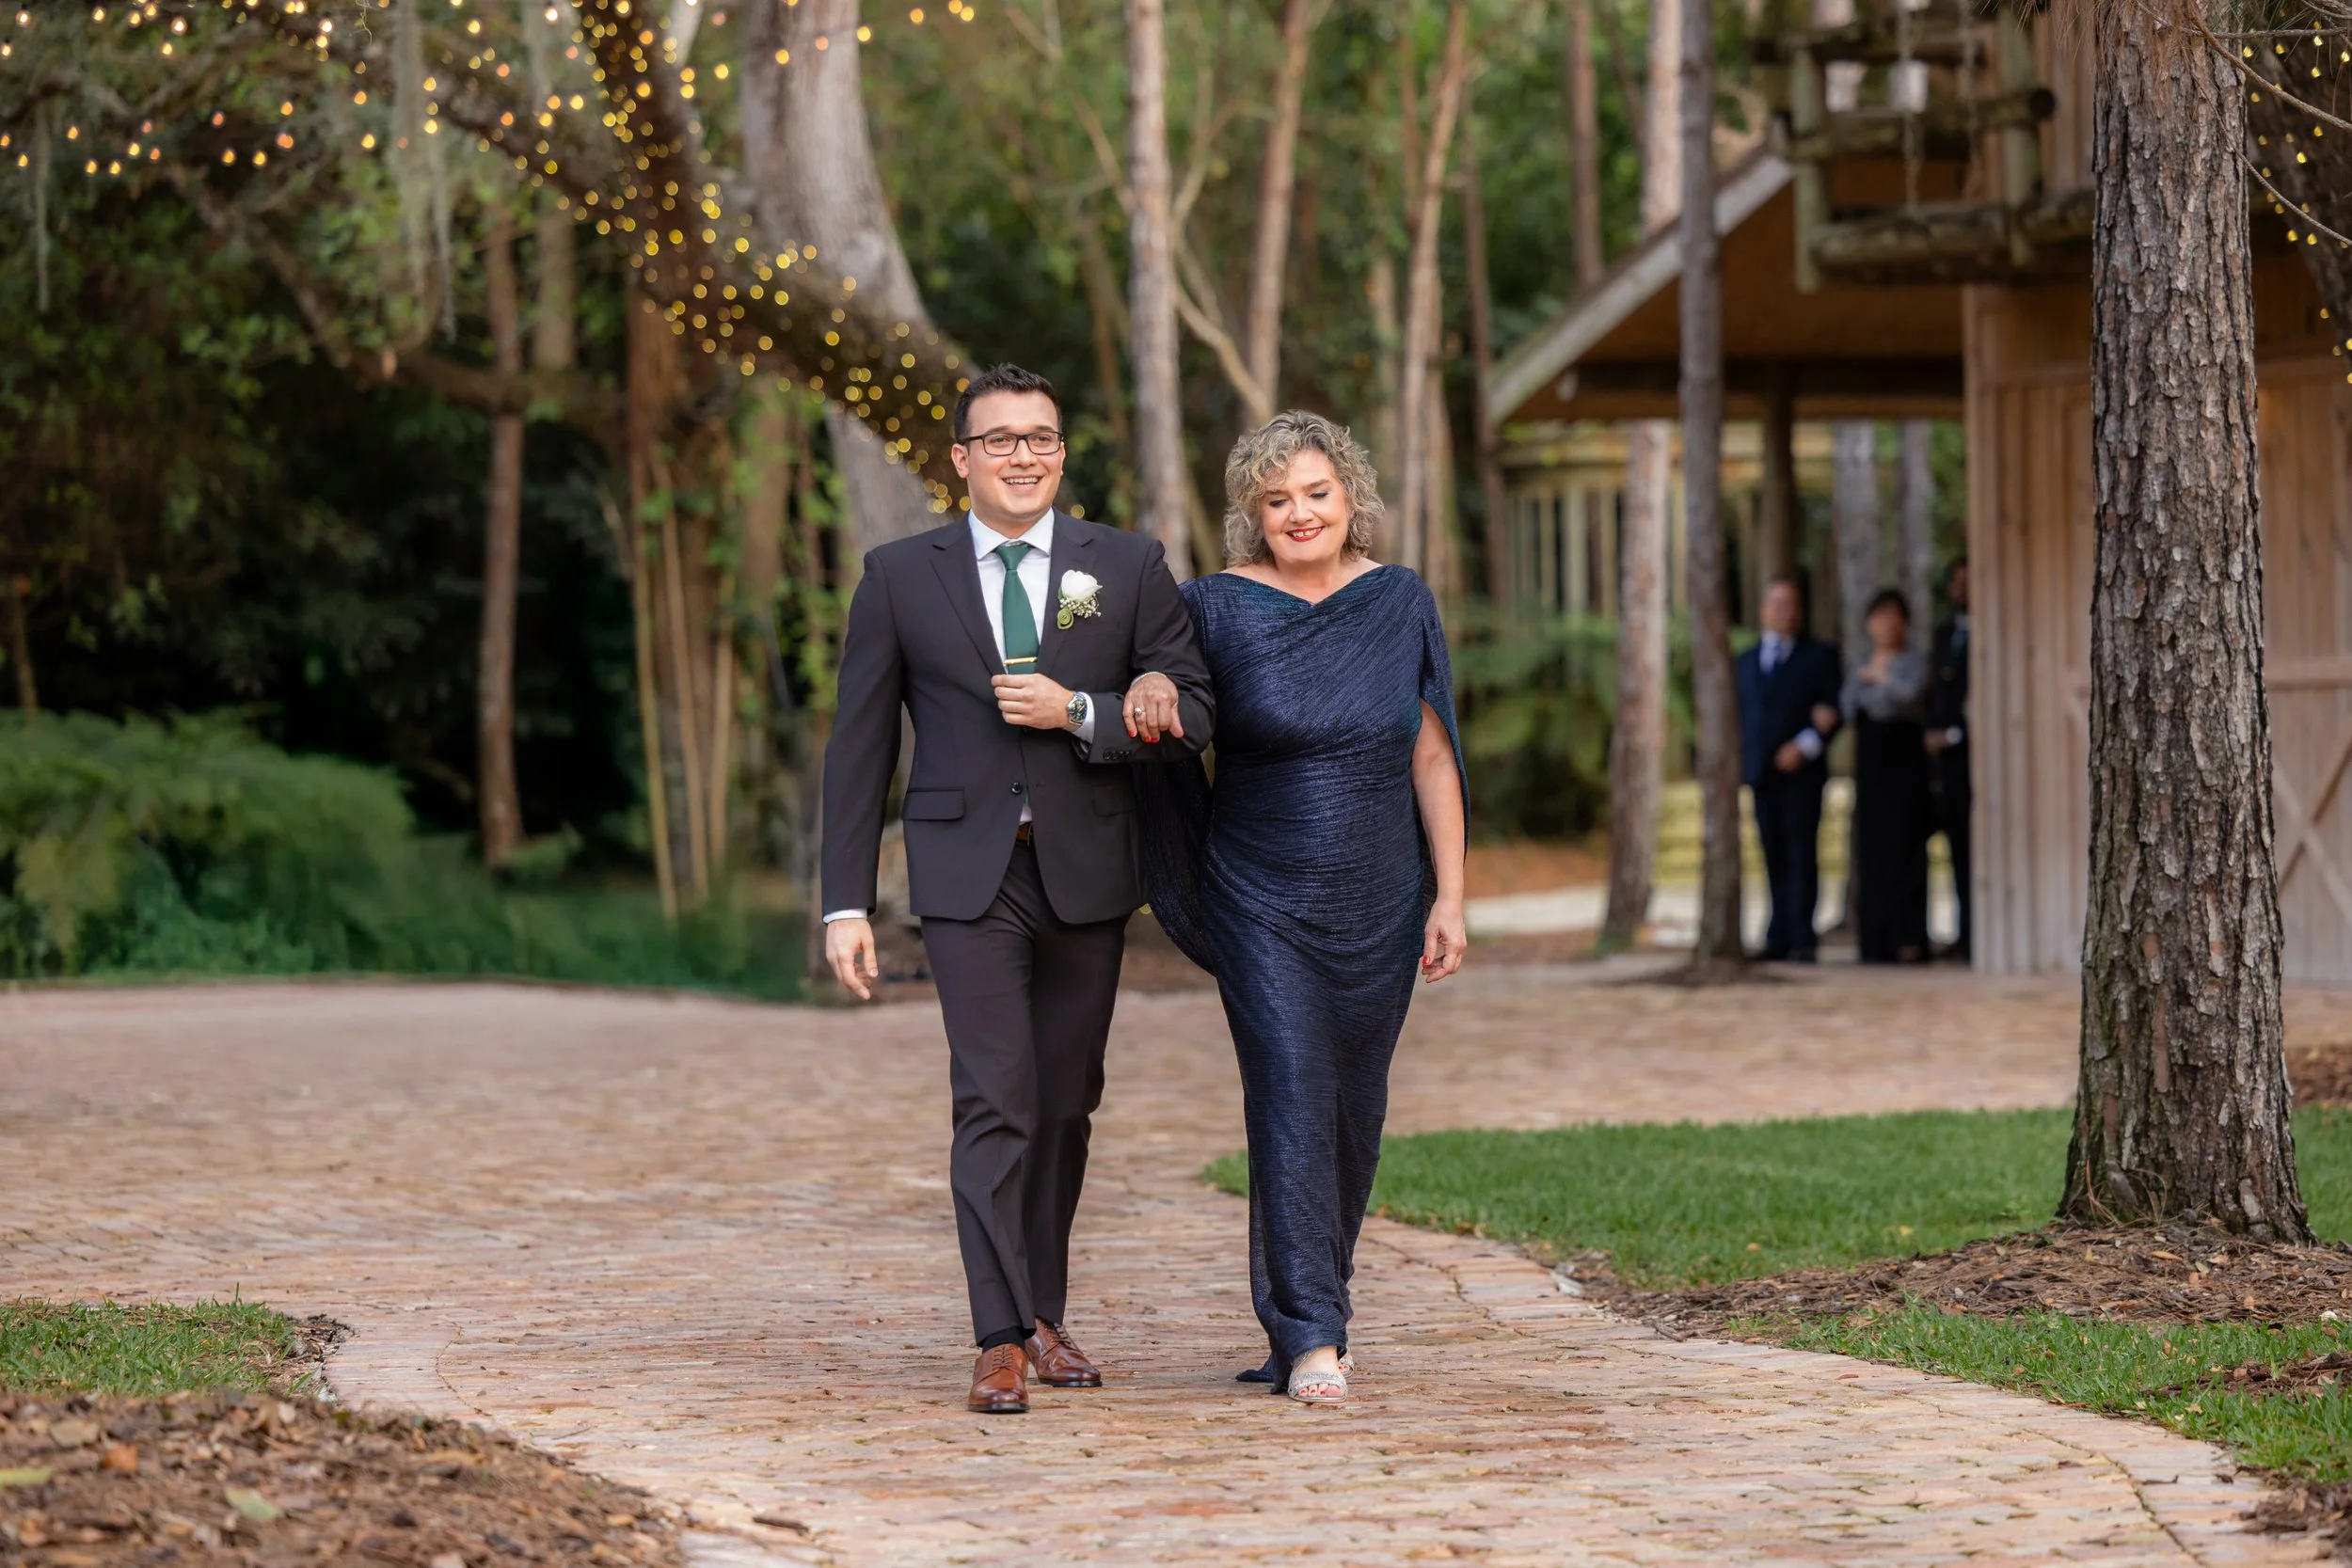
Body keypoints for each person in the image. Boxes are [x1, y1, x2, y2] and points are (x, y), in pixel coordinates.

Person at [818, 364, 1215, 1417]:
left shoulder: (1124, 565)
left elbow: (1193, 708)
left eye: (1041, 437)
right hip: (964, 875)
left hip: (1087, 870)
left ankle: (1042, 1306)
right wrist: (844, 901)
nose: (1024, 456)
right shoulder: (901, 574)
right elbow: (859, 745)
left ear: (1060, 451)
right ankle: (997, 1334)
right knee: (994, 1096)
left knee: (1066, 1100)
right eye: (1000, 440)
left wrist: (1083, 710)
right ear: (961, 459)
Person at [1139, 410, 1468, 1406]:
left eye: (1315, 493)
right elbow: (1171, 687)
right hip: (1259, 895)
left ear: (1349, 495)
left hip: (1379, 896)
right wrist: (1152, 675)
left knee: (1353, 1110)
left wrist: (1450, 893)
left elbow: (1429, 751)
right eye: (1276, 499)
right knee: (1288, 1088)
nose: (1298, 512)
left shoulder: (1399, 600)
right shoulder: (1215, 604)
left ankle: (1323, 1298)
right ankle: (1308, 1331)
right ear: (1251, 513)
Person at [1735, 576, 1841, 961]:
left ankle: (1801, 935)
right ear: (1764, 610)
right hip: (1761, 773)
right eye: (1778, 604)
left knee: (1801, 852)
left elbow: (1834, 713)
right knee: (1771, 853)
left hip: (1802, 774)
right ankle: (1776, 932)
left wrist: (1805, 745)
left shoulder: (1819, 657)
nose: (1786, 612)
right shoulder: (1744, 662)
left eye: (1792, 604)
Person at [1843, 588, 1933, 963]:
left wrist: (1878, 680)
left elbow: (1908, 697)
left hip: (1905, 764)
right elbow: (1849, 704)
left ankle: (1909, 938)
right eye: (1879, 616)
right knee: (1872, 851)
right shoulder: (1862, 661)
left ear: (1905, 622)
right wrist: (1874, 681)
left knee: (1906, 849)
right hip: (1870, 767)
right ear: (1869, 623)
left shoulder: (1915, 661)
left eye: (1893, 615)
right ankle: (1874, 940)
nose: (1886, 623)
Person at [1924, 560, 1971, 961]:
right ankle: (1962, 931)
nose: (1963, 588)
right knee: (1955, 847)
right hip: (1944, 763)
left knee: (1976, 847)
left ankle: (1977, 931)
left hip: (1977, 758)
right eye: (1957, 581)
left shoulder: (1992, 635)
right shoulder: (1942, 634)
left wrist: (1957, 734)